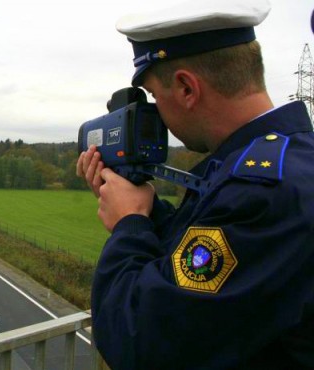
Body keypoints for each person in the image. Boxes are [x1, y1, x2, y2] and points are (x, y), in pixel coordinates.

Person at [77, 1, 314, 369]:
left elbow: (138, 339)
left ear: (187, 88)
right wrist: (150, 210)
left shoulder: (261, 192)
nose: (159, 114)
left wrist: (129, 226)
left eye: (155, 95)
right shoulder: (276, 162)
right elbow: (204, 252)